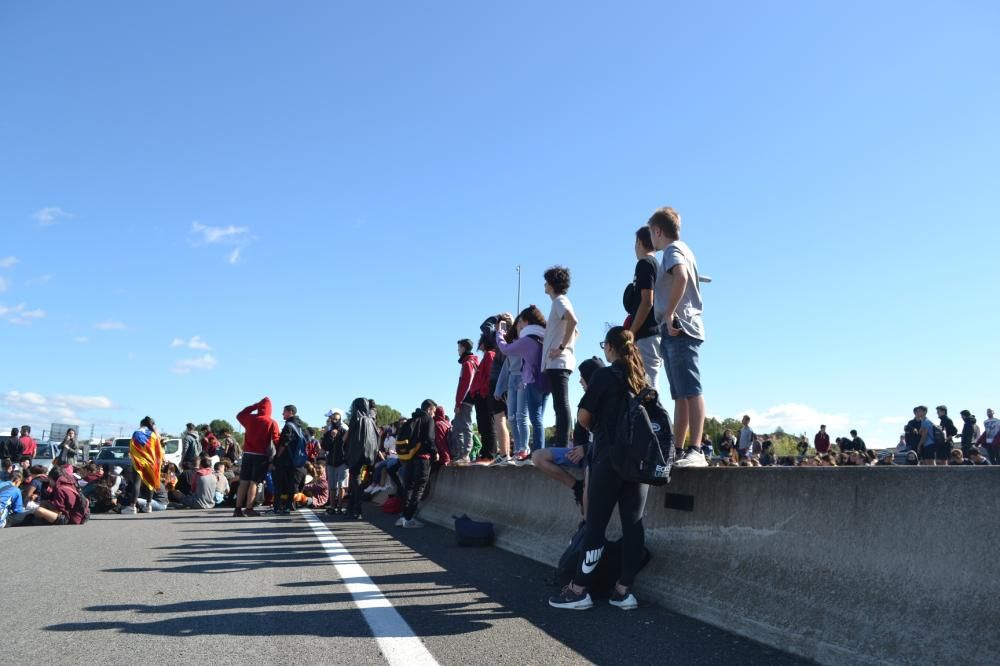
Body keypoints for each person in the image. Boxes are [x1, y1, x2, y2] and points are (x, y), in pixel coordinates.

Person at [549, 327, 651, 611]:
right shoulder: (641, 378)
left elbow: (583, 416)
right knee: (634, 524)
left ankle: (580, 590)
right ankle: (623, 591)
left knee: (596, 524)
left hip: (609, 459)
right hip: (637, 463)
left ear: (610, 348)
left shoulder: (604, 376)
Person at [647, 208, 707, 467]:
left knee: (690, 391)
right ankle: (680, 449)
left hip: (679, 327)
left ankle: (696, 449)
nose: (652, 239)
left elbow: (681, 276)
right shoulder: (683, 249)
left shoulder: (672, 251)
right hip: (677, 328)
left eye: (652, 233)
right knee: (680, 393)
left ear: (658, 231)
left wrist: (670, 313)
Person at [533, 356, 604, 511]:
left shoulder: (608, 401)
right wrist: (579, 449)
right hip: (581, 452)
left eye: (582, 378)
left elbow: (608, 438)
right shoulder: (586, 399)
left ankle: (586, 526)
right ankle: (576, 487)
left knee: (589, 483)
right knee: (538, 456)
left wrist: (586, 449)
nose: (579, 382)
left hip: (596, 453)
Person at [496, 306, 549, 461]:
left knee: (527, 417)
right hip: (535, 380)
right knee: (518, 417)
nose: (519, 325)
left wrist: (499, 332)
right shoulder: (541, 337)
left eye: (520, 322)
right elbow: (507, 365)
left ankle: (527, 450)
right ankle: (528, 450)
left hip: (529, 380)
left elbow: (505, 349)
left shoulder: (528, 340)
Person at [541, 266, 578, 447]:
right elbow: (576, 331)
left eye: (546, 281)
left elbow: (573, 321)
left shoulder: (559, 302)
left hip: (559, 363)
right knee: (560, 404)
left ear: (552, 284)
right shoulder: (561, 302)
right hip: (561, 361)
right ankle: (562, 442)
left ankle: (562, 444)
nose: (544, 285)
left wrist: (561, 347)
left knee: (561, 405)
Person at [626, 226, 662, 388]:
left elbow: (647, 301)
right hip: (653, 333)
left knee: (647, 386)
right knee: (646, 383)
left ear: (639, 242)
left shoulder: (645, 263)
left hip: (647, 332)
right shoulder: (657, 265)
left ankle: (653, 414)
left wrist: (631, 332)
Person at [234, 397, 281, 517]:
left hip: (247, 454)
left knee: (243, 481)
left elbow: (240, 414)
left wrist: (255, 406)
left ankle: (238, 509)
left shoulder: (249, 418)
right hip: (261, 456)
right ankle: (249, 508)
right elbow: (276, 440)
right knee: (254, 483)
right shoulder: (271, 422)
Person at [396, 400, 437, 529]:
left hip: (410, 458)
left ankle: (403, 516)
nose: (434, 414)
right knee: (419, 488)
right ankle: (409, 518)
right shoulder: (428, 419)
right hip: (423, 458)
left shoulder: (412, 419)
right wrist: (435, 452)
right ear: (429, 409)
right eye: (434, 411)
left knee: (408, 486)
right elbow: (430, 439)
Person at [345, 397, 379, 520]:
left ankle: (356, 509)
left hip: (355, 455)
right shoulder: (371, 419)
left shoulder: (356, 417)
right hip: (368, 454)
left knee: (355, 483)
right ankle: (352, 508)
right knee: (356, 483)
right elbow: (374, 412)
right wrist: (372, 404)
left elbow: (349, 437)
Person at [122, 416, 164, 515]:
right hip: (151, 462)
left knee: (136, 483)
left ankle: (132, 507)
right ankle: (148, 506)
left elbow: (132, 448)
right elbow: (159, 451)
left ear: (141, 424)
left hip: (139, 461)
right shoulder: (155, 434)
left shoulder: (137, 432)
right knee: (150, 483)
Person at [272, 404, 308, 515]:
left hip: (285, 459)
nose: (283, 414)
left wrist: (277, 456)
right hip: (297, 460)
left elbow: (284, 443)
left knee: (278, 483)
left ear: (290, 412)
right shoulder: (301, 427)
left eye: (284, 412)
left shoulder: (289, 426)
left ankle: (277, 507)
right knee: (291, 485)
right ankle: (289, 506)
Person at [469, 334, 498, 463]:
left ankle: (489, 454)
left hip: (484, 395)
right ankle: (486, 453)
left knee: (487, 425)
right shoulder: (487, 356)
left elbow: (490, 376)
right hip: (481, 395)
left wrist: (483, 392)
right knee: (483, 426)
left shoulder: (489, 355)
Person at [452, 339, 479, 463]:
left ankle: (465, 454)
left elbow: (465, 385)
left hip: (465, 400)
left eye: (459, 348)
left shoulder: (467, 363)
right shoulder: (472, 362)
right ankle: (461, 454)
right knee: (458, 427)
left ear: (463, 348)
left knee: (464, 426)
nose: (458, 351)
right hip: (468, 399)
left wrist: (458, 403)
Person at [322, 411, 350, 514]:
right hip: (331, 462)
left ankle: (340, 506)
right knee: (332, 486)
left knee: (341, 485)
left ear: (340, 419)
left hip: (342, 461)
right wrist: (330, 436)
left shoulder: (344, 430)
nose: (334, 421)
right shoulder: (328, 432)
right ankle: (333, 506)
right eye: (333, 419)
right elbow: (325, 447)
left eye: (337, 419)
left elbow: (346, 446)